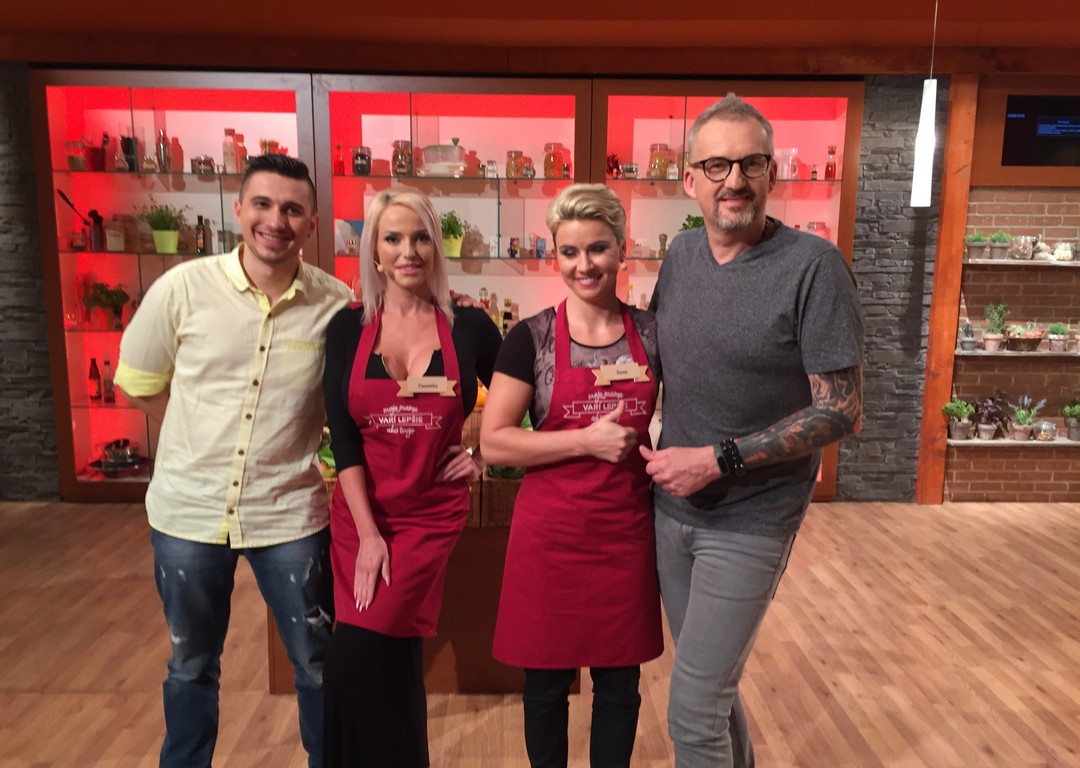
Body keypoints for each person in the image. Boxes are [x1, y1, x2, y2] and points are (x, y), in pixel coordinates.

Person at [641, 93, 864, 768]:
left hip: (754, 517)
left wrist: (720, 460)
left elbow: (841, 410)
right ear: (690, 179)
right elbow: (655, 357)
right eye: (716, 165)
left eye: (750, 163)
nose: (733, 180)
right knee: (710, 689)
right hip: (672, 509)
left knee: (692, 711)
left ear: (772, 173)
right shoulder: (681, 255)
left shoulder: (813, 267)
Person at [113, 154, 353, 768]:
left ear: (313, 223)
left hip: (288, 514)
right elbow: (137, 381)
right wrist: (192, 429)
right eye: (263, 205)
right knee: (191, 665)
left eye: (293, 209)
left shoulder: (336, 305)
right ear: (240, 210)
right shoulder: (183, 289)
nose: (276, 220)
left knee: (317, 662)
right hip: (188, 512)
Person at [483, 184, 664, 768]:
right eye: (569, 252)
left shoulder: (653, 334)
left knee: (620, 687)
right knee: (544, 687)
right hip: (550, 537)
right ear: (555, 256)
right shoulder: (530, 338)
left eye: (597, 248)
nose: (584, 265)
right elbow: (494, 440)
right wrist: (585, 440)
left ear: (622, 250)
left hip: (624, 532)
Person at [321, 187, 502, 766]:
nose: (408, 251)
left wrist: (483, 455)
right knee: (385, 660)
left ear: (436, 247)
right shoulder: (346, 328)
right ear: (374, 252)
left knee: (357, 657)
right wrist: (368, 535)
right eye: (393, 238)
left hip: (429, 517)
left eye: (421, 237)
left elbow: (521, 398)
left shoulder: (470, 326)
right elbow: (343, 438)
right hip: (360, 519)